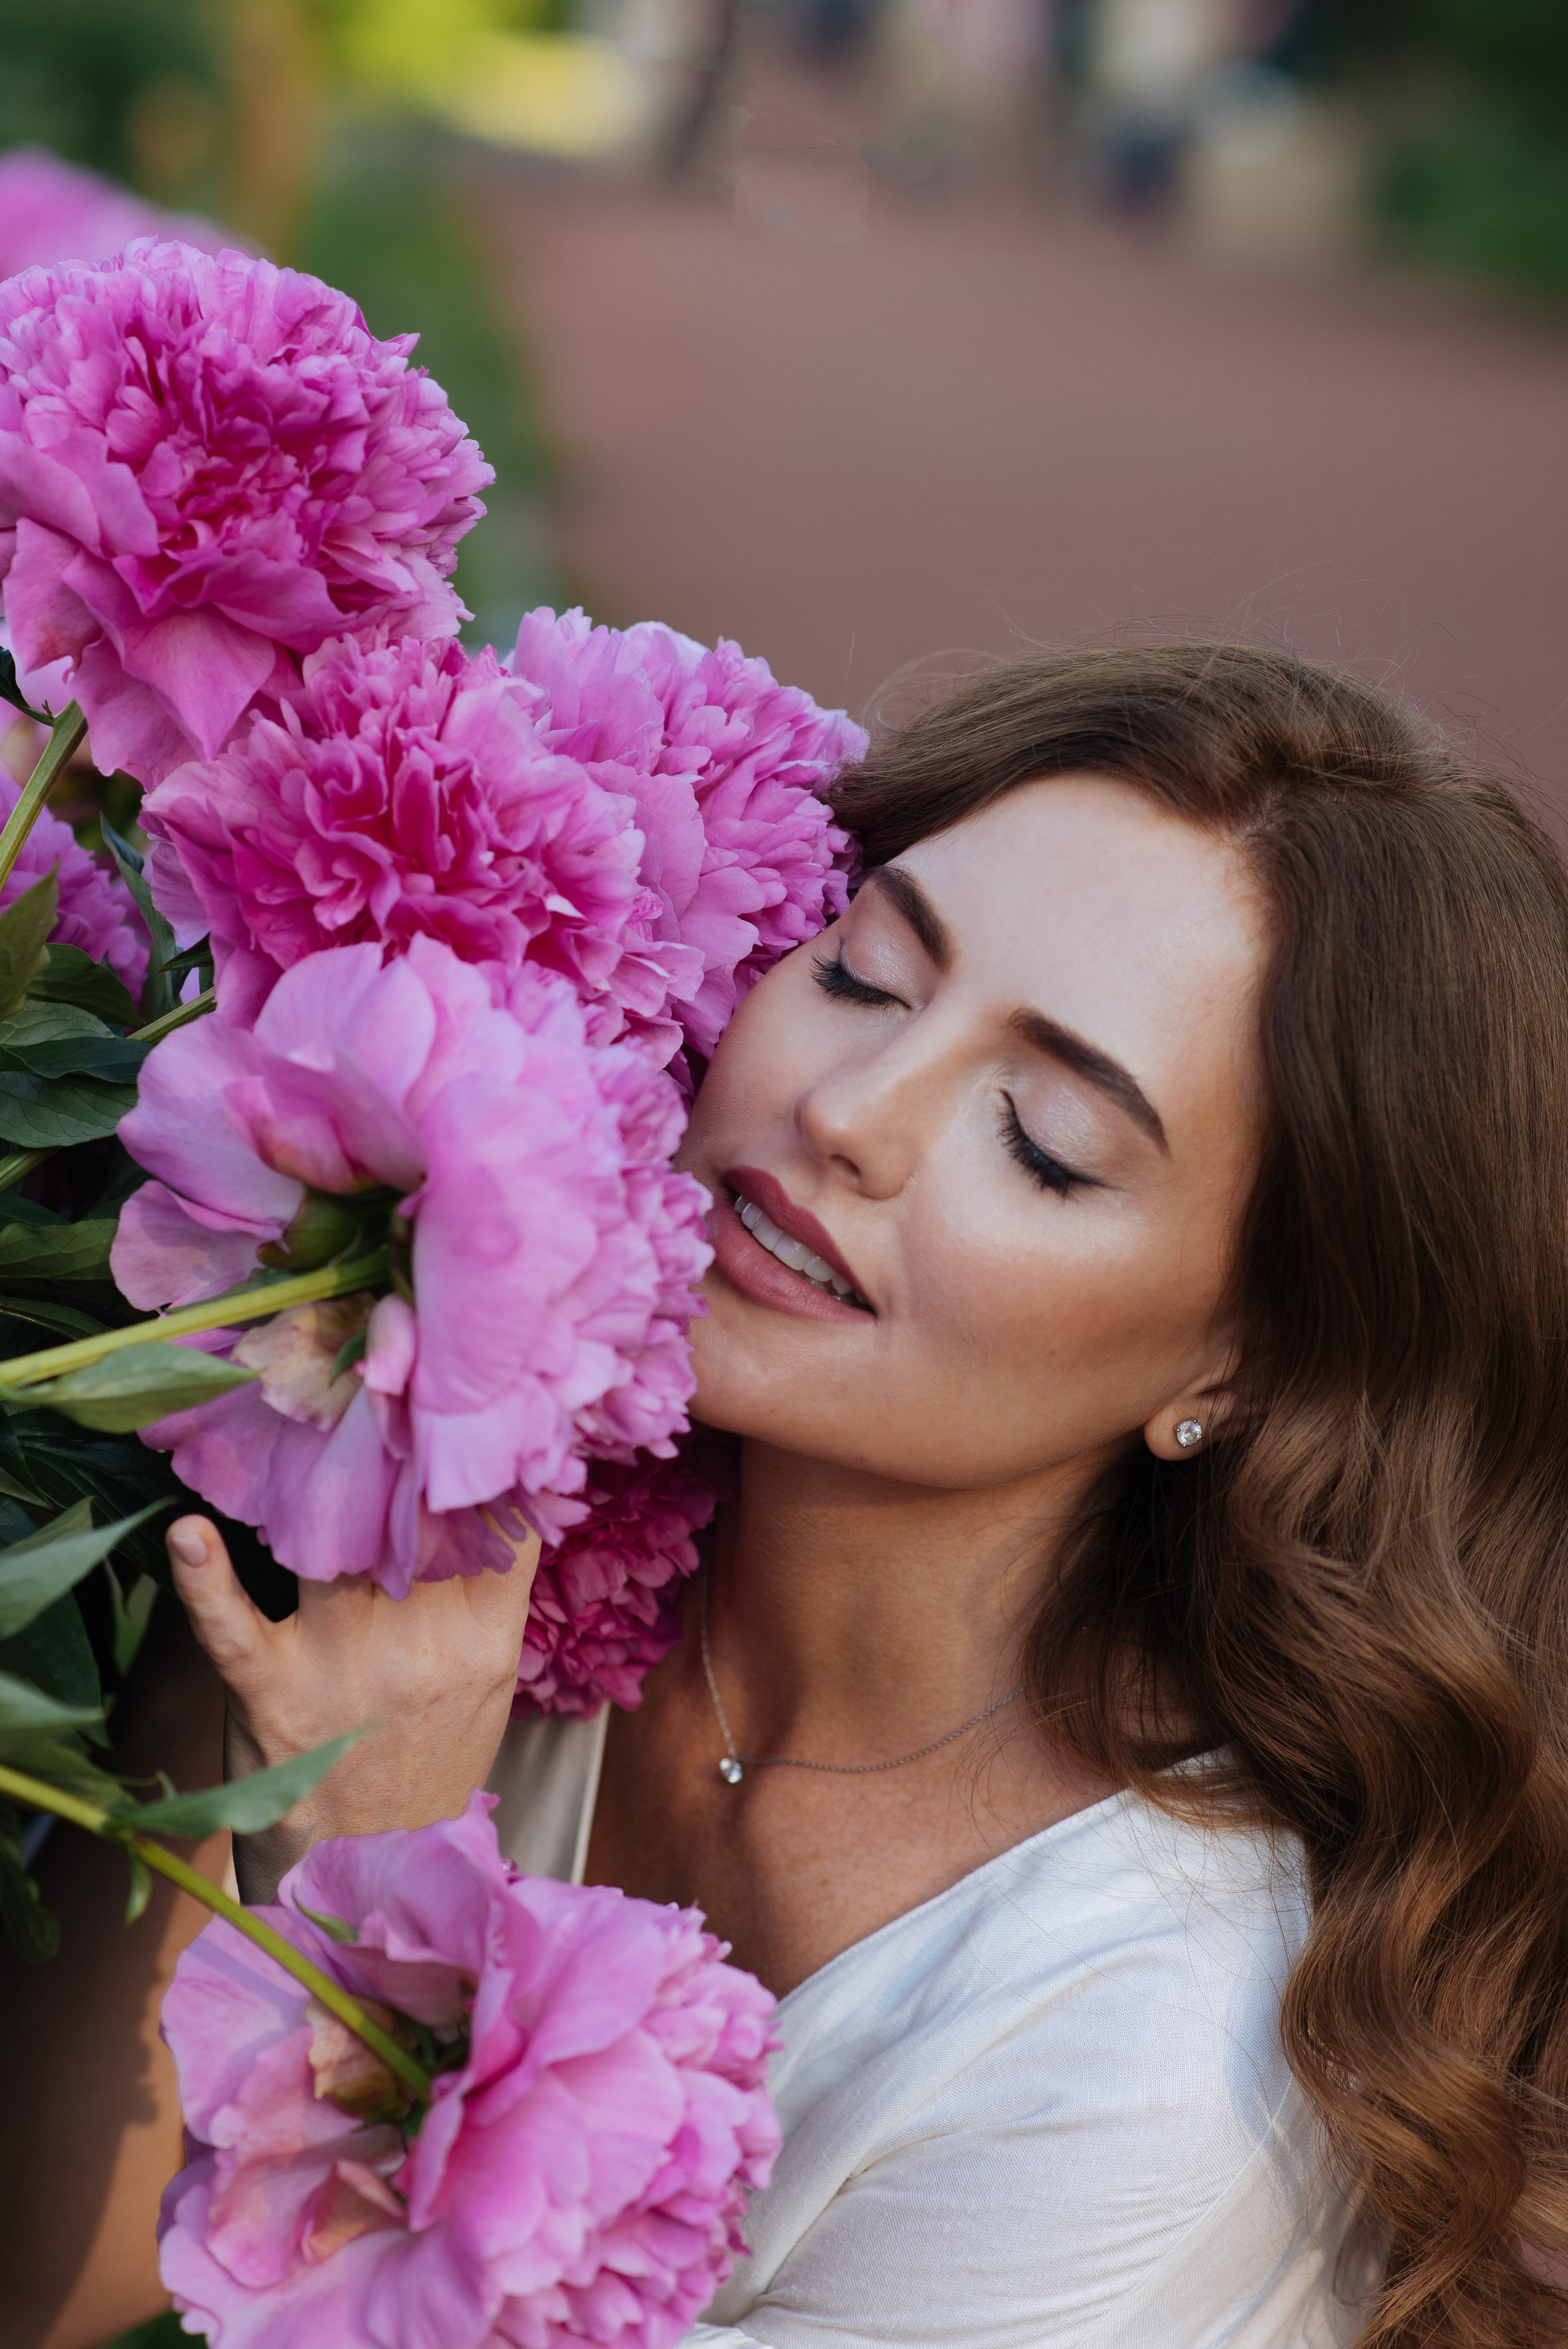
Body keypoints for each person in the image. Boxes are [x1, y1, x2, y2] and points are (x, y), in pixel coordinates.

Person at [75, 643, 1568, 2344]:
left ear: (1246, 1368)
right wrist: (271, 1469)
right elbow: (53, 2267)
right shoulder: (518, 1556)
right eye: (862, 971)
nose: (848, 1111)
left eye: (1049, 1138)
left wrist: (380, 1886)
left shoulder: (1153, 2059)